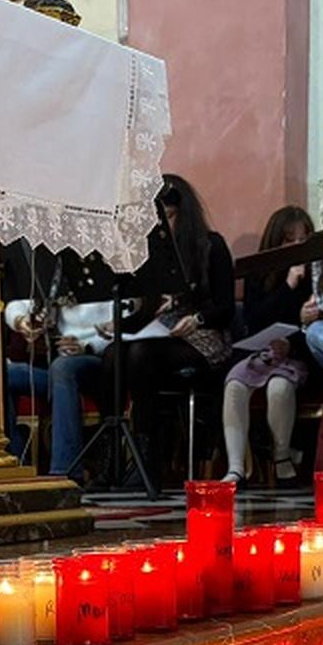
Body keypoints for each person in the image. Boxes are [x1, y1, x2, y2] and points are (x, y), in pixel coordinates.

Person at [107, 173, 235, 485]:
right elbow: (151, 312)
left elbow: (225, 308)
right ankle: (113, 453)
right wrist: (118, 325)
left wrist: (197, 319)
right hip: (165, 337)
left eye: (170, 216)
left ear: (184, 214)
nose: (164, 225)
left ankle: (149, 459)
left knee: (140, 354)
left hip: (203, 338)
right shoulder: (154, 256)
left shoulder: (211, 246)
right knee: (114, 353)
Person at [222, 206, 317, 486]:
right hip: (260, 349)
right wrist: (287, 285)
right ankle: (236, 466)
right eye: (290, 239)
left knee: (279, 387)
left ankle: (282, 457)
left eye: (304, 239)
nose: (297, 246)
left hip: (295, 353)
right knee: (235, 385)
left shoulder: (317, 274)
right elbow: (255, 317)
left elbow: (313, 325)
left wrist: (291, 342)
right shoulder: (260, 273)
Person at [2, 265, 114, 481]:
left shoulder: (108, 265)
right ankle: (16, 467)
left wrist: (87, 345)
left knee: (63, 367)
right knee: (6, 373)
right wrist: (21, 321)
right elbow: (17, 304)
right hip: (58, 364)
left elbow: (127, 324)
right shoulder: (57, 268)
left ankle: (65, 472)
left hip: (100, 361)